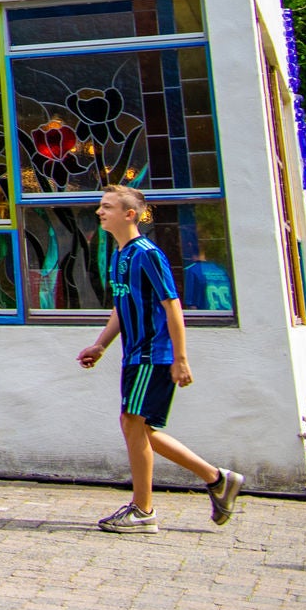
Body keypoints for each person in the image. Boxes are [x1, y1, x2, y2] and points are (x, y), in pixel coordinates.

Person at [77, 184, 244, 533]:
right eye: (100, 207)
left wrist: (180, 359)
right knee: (141, 430)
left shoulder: (147, 253)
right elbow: (122, 307)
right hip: (134, 355)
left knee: (132, 423)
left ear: (130, 214)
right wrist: (100, 345)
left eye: (107, 206)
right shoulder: (120, 255)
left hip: (153, 355)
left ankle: (143, 509)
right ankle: (217, 479)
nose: (100, 212)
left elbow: (172, 305)